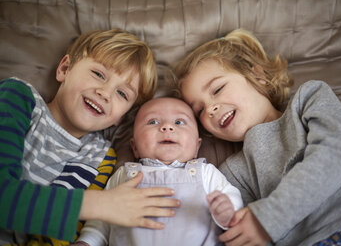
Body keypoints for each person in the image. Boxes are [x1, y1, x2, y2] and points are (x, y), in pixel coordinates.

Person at [173, 28, 341, 246]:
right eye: (199, 110)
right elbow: (251, 234)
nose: (210, 108)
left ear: (258, 76)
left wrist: (267, 218)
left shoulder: (308, 99)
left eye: (218, 89)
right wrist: (229, 219)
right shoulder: (233, 173)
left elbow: (340, 153)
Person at [0, 28, 180, 245]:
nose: (105, 93)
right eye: (98, 74)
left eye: (122, 94)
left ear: (121, 119)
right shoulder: (18, 97)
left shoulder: (102, 157)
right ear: (65, 69)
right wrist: (102, 204)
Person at [73, 97, 243, 246]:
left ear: (197, 147)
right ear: (135, 147)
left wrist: (227, 210)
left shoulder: (205, 173)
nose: (167, 127)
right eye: (153, 122)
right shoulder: (125, 175)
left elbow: (231, 196)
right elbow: (101, 216)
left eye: (179, 122)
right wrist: (87, 241)